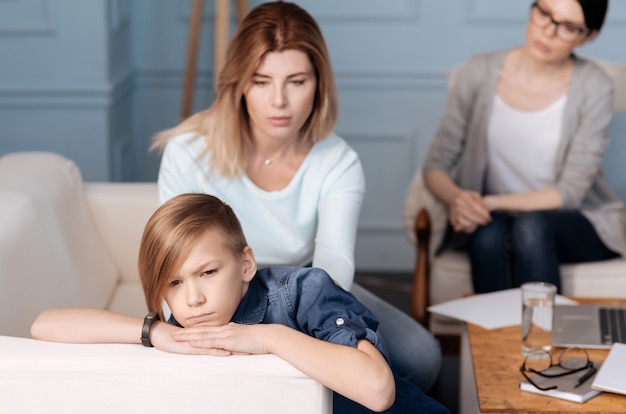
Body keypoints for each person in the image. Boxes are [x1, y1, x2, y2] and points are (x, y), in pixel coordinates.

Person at [152, 1, 441, 391]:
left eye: (297, 81)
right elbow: (174, 260)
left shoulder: (338, 161)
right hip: (216, 290)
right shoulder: (188, 151)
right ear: (238, 83)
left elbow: (333, 265)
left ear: (319, 83)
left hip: (305, 286)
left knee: (422, 358)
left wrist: (292, 334)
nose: (279, 102)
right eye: (261, 81)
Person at [31, 193, 449, 414]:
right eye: (174, 282)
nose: (193, 298)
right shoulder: (181, 324)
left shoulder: (301, 291)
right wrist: (154, 331)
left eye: (208, 272)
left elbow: (377, 391)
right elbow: (45, 326)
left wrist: (268, 338)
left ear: (245, 263)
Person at [422, 0, 626, 293]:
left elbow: (569, 193)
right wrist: (460, 200)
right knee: (487, 233)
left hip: (573, 223)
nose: (548, 32)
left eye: (567, 27)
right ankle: (496, 337)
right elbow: (435, 165)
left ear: (588, 35)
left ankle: (542, 336)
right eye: (544, 14)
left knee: (530, 227)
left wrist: (488, 202)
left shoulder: (594, 86)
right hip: (491, 220)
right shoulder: (477, 72)